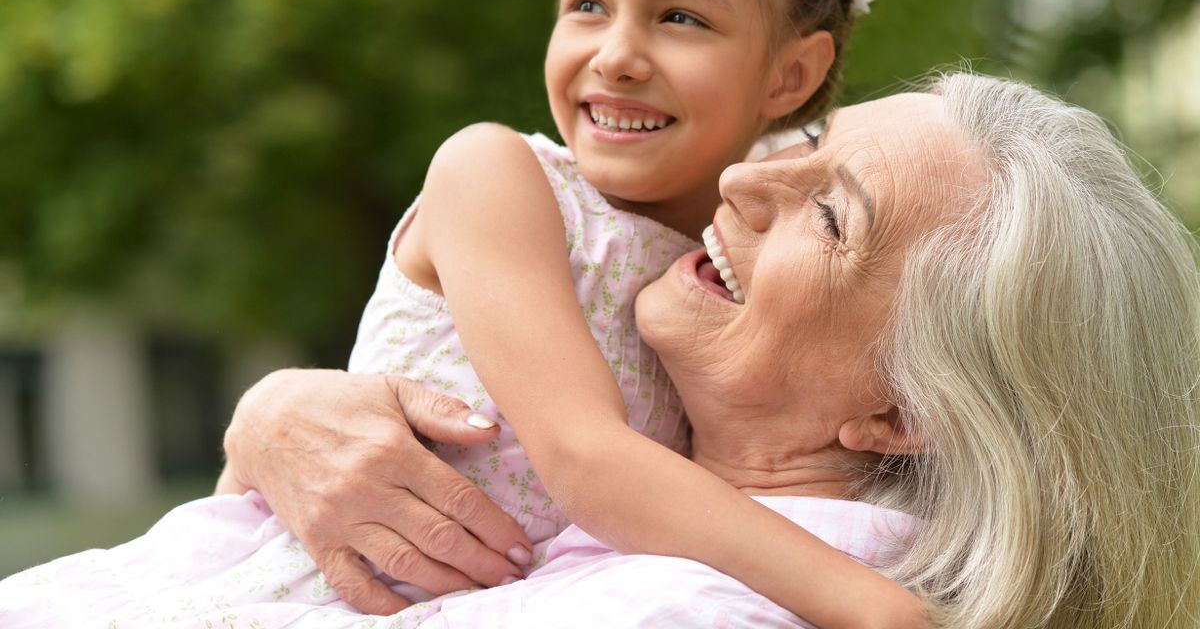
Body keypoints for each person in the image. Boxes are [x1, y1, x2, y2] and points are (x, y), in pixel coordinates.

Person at [4, 0, 923, 627]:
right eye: (587, 5)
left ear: (789, 77)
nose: (616, 55)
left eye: (679, 17)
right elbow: (581, 455)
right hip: (322, 589)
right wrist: (865, 601)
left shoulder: (751, 257)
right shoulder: (498, 176)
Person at [8, 74, 1196, 628]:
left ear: (898, 417)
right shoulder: (658, 414)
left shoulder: (700, 604)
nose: (741, 175)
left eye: (833, 214)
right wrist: (272, 423)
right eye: (808, 138)